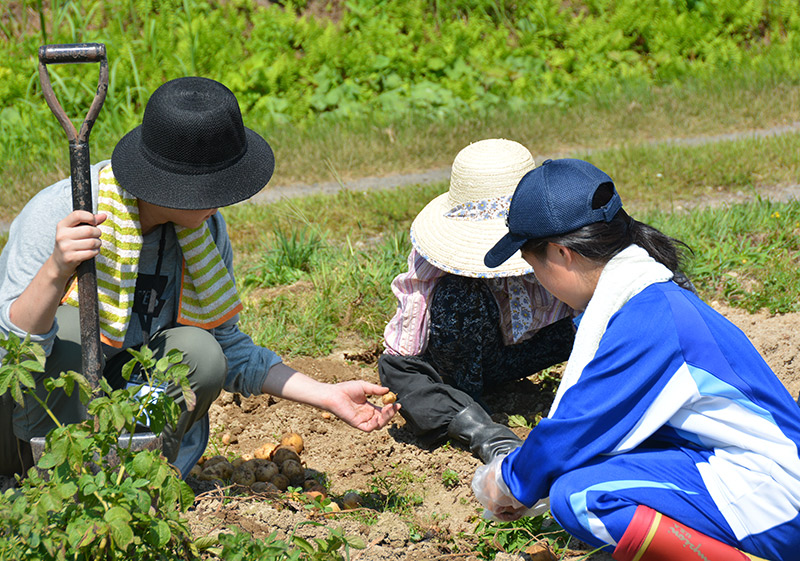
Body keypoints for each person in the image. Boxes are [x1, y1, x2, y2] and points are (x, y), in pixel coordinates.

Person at [0, 76, 399, 478]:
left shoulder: (203, 233)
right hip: (27, 423)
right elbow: (7, 351)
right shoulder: (61, 213)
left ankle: (136, 472)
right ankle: (49, 482)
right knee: (68, 328)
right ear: (178, 188)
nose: (228, 197)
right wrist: (56, 269)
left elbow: (230, 352)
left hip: (121, 404)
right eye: (219, 187)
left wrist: (328, 396)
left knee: (201, 354)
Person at [471, 158, 800, 561]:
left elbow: (576, 429)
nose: (536, 279)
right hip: (749, 470)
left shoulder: (648, 321)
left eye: (532, 265)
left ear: (560, 253)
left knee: (581, 496)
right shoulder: (648, 296)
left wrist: (505, 480)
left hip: (779, 497)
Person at [378, 139, 576, 464]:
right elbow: (402, 356)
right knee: (457, 295)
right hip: (468, 357)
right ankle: (478, 423)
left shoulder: (561, 241)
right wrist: (405, 367)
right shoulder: (435, 258)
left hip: (535, 348)